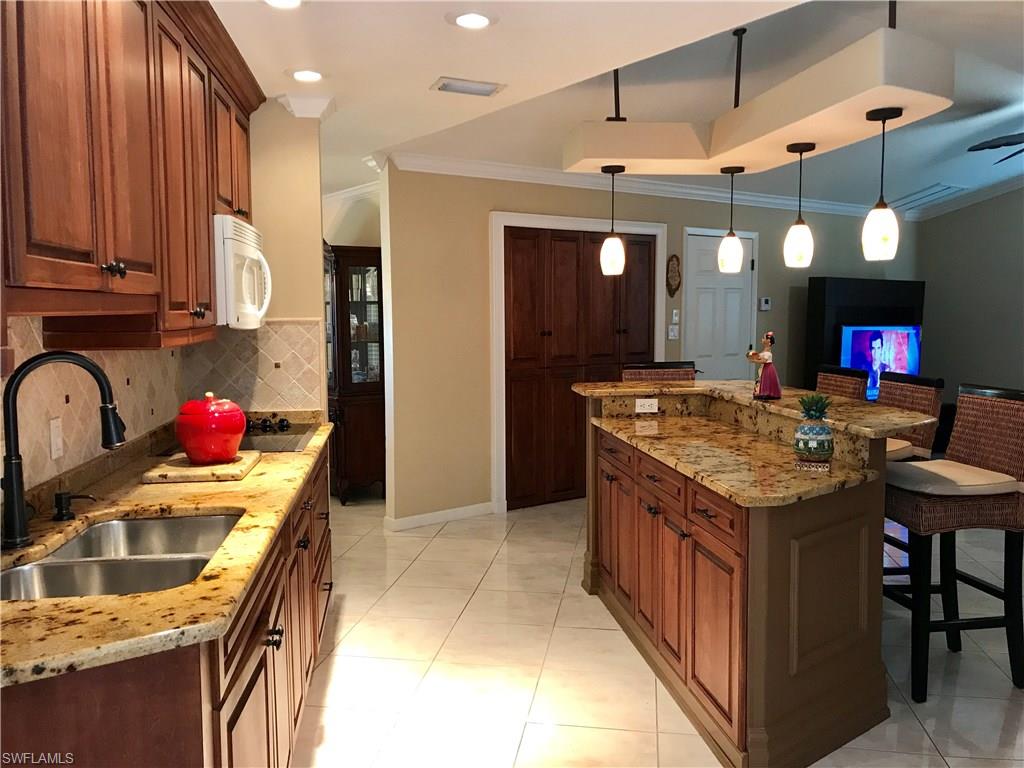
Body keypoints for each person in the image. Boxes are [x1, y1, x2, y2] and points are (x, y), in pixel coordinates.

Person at [747, 331, 781, 400]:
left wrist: (754, 361)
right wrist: (753, 356)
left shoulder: (768, 352)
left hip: (768, 368)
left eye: (764, 338)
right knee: (762, 379)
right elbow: (760, 356)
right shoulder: (765, 350)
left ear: (768, 341)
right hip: (765, 367)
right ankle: (761, 392)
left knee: (766, 380)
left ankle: (767, 392)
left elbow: (764, 360)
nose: (762, 339)